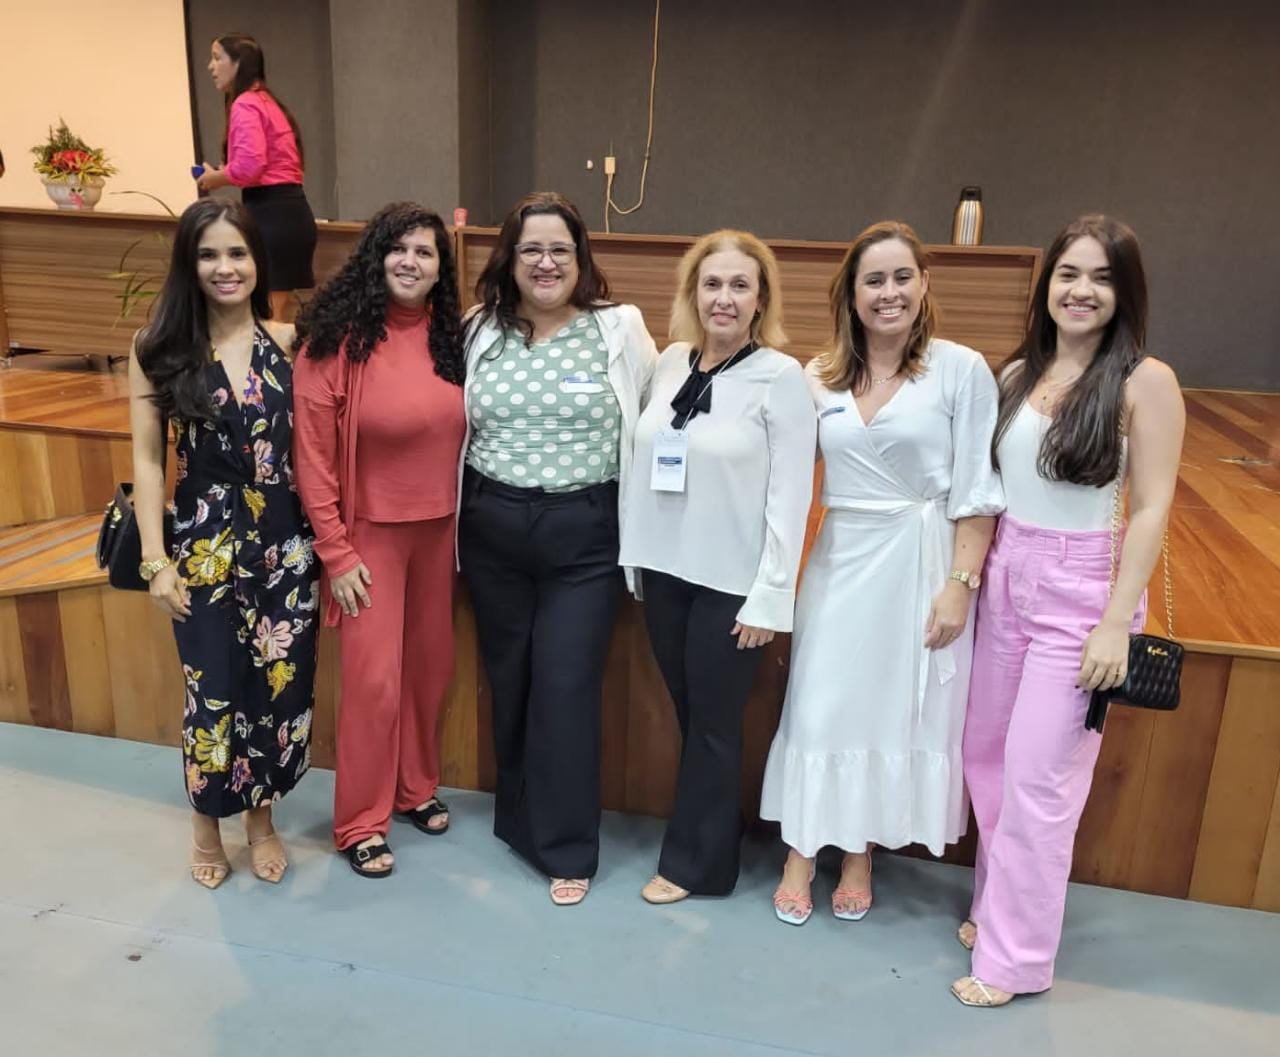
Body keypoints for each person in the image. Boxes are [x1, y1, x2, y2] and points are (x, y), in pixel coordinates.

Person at [953, 215, 1185, 1006]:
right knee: (986, 756)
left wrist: (1116, 620)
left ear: (1126, 292)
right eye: (1069, 273)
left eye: (1102, 277)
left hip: (1081, 590)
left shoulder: (1145, 381)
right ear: (1046, 283)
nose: (1082, 290)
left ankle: (1015, 960)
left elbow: (1152, 506)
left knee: (1040, 778)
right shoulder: (1019, 372)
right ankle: (998, 908)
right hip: (1007, 574)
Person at [758, 221, 1003, 924]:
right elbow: (777, 465)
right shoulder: (818, 375)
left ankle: (859, 851)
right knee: (820, 701)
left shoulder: (960, 369)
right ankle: (802, 847)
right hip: (841, 559)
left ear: (925, 284)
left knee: (891, 708)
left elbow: (977, 489)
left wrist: (960, 584)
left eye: (902, 277)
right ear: (852, 293)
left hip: (922, 562)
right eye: (874, 280)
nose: (888, 292)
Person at [459, 191, 656, 905]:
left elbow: (655, 409)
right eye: (531, 249)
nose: (546, 262)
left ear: (581, 259)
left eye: (560, 250)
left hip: (585, 532)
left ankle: (568, 845)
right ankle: (521, 820)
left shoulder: (617, 327)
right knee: (510, 678)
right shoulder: (479, 328)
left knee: (566, 684)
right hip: (493, 526)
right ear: (509, 258)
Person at [620, 230, 816, 903]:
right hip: (664, 572)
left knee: (713, 723)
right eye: (712, 284)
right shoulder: (671, 362)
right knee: (692, 715)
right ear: (692, 293)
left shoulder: (780, 377)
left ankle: (695, 867)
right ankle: (715, 836)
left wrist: (770, 595)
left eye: (739, 285)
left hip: (731, 584)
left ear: (761, 299)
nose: (723, 298)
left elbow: (792, 496)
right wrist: (634, 557)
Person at [128, 198, 318, 889]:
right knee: (211, 693)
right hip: (202, 543)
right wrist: (156, 560)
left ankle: (261, 821)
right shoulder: (158, 349)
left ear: (257, 261)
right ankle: (207, 824)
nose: (224, 267)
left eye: (237, 252)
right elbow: (149, 460)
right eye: (208, 254)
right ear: (190, 263)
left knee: (276, 688)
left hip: (284, 545)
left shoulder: (290, 342)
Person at [292, 203, 465, 879]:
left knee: (429, 671)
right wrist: (336, 552)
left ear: (441, 267)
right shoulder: (335, 341)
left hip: (440, 533)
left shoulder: (450, 335)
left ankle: (414, 788)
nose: (411, 262)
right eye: (399, 248)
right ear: (375, 256)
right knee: (374, 683)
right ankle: (361, 820)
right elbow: (312, 457)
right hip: (368, 540)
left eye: (425, 252)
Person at [198, 33, 317, 319]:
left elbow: (249, 167)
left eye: (217, 58)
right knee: (274, 317)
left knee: (265, 319)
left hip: (271, 216)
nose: (210, 66)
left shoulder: (245, 103)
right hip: (291, 212)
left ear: (238, 63)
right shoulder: (266, 102)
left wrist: (216, 178)